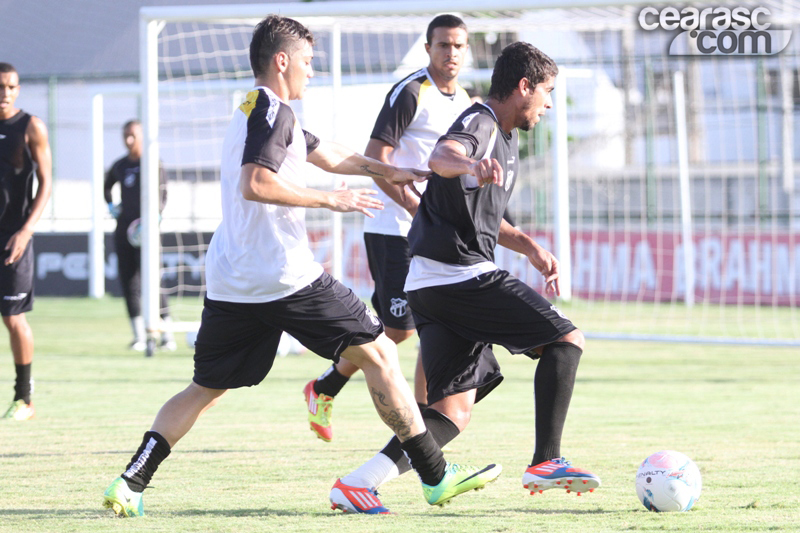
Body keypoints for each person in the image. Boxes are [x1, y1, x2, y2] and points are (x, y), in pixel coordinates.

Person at [101, 15, 500, 518]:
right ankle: (435, 476)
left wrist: (388, 170)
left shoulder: (257, 108)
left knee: (205, 389)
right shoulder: (274, 112)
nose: (313, 71)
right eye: (308, 62)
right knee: (380, 353)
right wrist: (328, 201)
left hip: (233, 277)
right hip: (283, 272)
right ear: (282, 61)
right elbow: (256, 183)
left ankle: (131, 481)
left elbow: (327, 153)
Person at [328, 42, 601, 514]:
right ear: (524, 87)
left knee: (453, 411)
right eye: (547, 92)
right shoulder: (482, 121)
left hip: (431, 284)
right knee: (566, 340)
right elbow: (442, 156)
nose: (550, 104)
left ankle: (358, 483)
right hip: (459, 278)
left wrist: (531, 247)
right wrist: (470, 163)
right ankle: (546, 460)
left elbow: (484, 219)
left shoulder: (506, 136)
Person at [303, 14, 472, 443]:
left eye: (458, 46)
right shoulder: (411, 92)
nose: (450, 54)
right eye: (442, 45)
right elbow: (377, 160)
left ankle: (422, 426)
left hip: (432, 233)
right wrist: (417, 209)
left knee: (426, 324)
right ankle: (325, 387)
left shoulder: (465, 99)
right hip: (394, 227)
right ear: (428, 48)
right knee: (399, 330)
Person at [0, 63, 52, 421]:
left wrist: (26, 230)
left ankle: (24, 399)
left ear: (18, 89)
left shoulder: (30, 126)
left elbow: (47, 183)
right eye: (0, 86)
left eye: (11, 86)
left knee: (13, 318)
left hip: (14, 237)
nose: (5, 92)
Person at [104, 120, 175, 351]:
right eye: (126, 135)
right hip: (124, 231)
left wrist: (156, 216)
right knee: (129, 283)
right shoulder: (120, 165)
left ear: (142, 136)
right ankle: (139, 337)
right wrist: (111, 206)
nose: (129, 140)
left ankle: (167, 335)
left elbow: (163, 193)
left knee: (154, 281)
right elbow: (107, 186)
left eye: (133, 135)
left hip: (148, 233)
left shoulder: (153, 163)